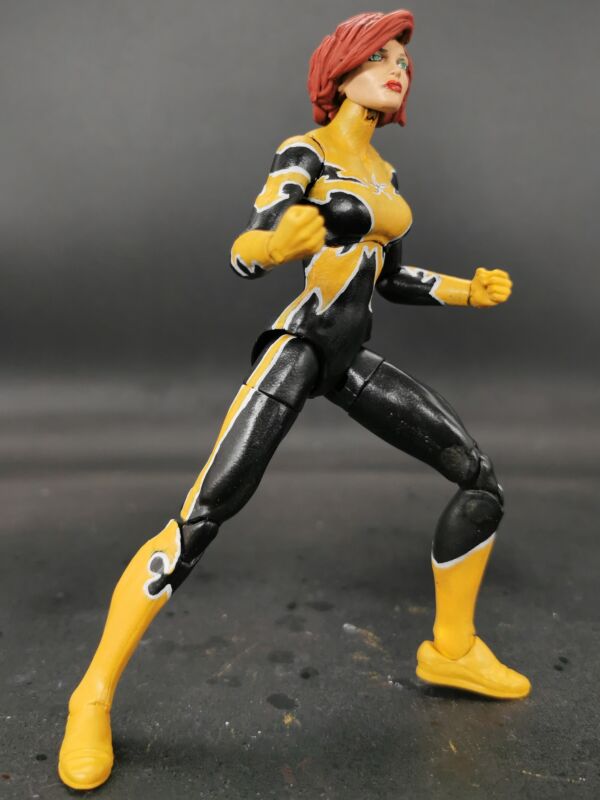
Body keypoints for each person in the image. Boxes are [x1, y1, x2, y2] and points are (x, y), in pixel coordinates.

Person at [58, 9, 530, 791]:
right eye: (379, 55)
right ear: (340, 71)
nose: (398, 68)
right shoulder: (304, 153)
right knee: (200, 518)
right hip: (301, 348)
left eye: (403, 58)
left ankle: (451, 650)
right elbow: (256, 238)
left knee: (479, 481)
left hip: (348, 360)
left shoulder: (385, 177)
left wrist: (464, 291)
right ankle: (91, 695)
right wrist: (271, 246)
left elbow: (392, 275)